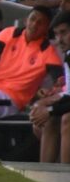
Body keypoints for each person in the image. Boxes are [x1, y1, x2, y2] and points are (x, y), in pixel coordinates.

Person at [30, 11, 70, 163]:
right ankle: (46, 177)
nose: (59, 39)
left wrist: (50, 110)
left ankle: (66, 178)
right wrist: (46, 108)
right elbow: (68, 94)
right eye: (56, 34)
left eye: (64, 33)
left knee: (67, 118)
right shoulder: (68, 55)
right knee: (49, 120)